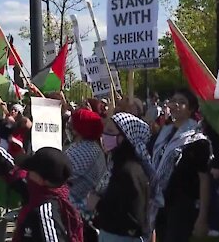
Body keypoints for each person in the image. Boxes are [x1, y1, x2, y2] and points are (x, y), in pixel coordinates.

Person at [0, 126, 83, 242]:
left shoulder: (46, 212)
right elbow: (7, 164)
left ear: (44, 180)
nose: (27, 172)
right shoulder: (37, 191)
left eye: (32, 169)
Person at [151, 88, 211, 242]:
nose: (176, 104)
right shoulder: (163, 134)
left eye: (182, 102)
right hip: (160, 201)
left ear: (191, 109)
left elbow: (204, 180)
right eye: (173, 101)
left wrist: (203, 217)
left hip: (182, 205)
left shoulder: (197, 140)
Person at [87, 112, 152, 242]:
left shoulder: (129, 170)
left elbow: (133, 215)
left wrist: (98, 204)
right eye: (105, 130)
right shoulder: (116, 164)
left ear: (125, 137)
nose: (104, 135)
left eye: (110, 131)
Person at [66, 108, 107, 242]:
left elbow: (57, 172)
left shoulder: (84, 150)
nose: (69, 127)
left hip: (76, 214)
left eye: (72, 124)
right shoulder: (94, 148)